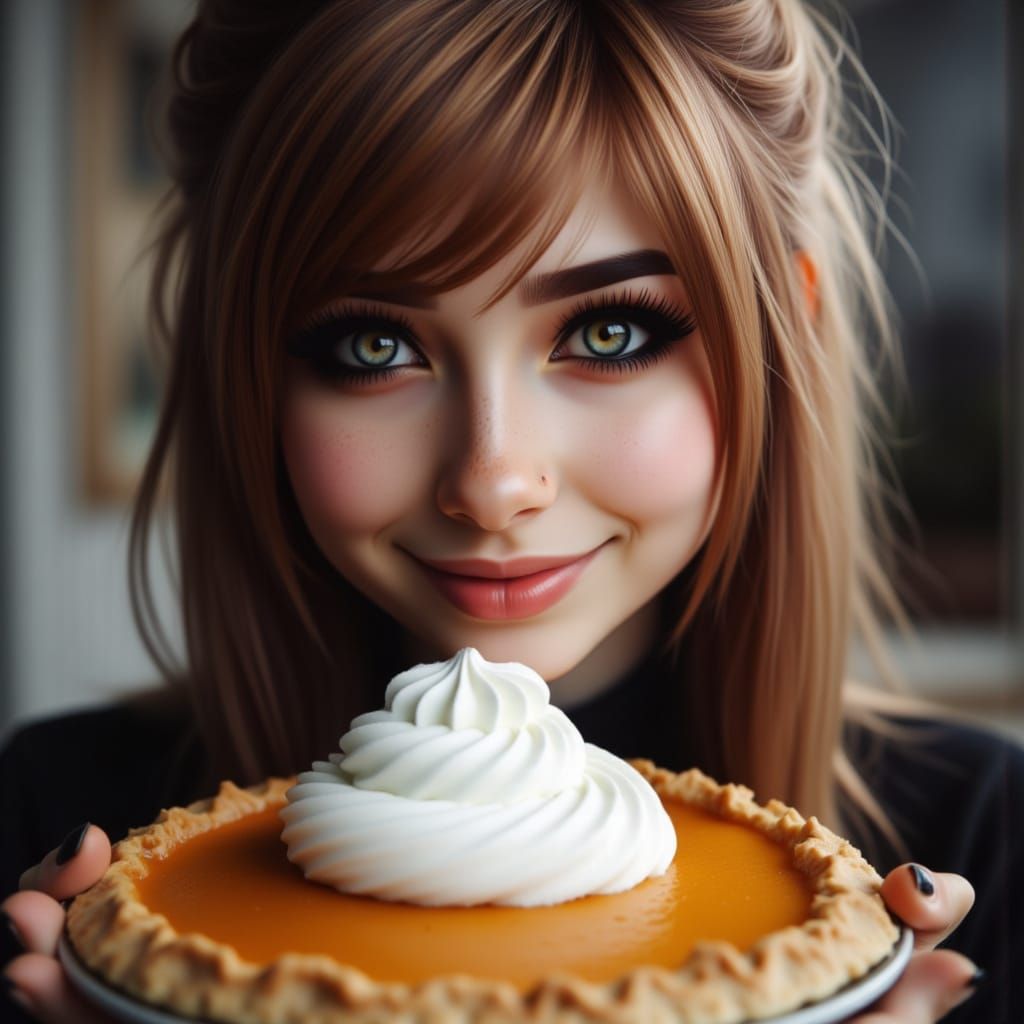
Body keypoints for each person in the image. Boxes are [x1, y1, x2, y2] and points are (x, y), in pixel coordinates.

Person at [1, 1, 1020, 1021]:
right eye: (373, 346)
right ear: (247, 371)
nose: (492, 481)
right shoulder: (58, 821)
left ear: (781, 329)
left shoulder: (977, 841)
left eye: (611, 332)